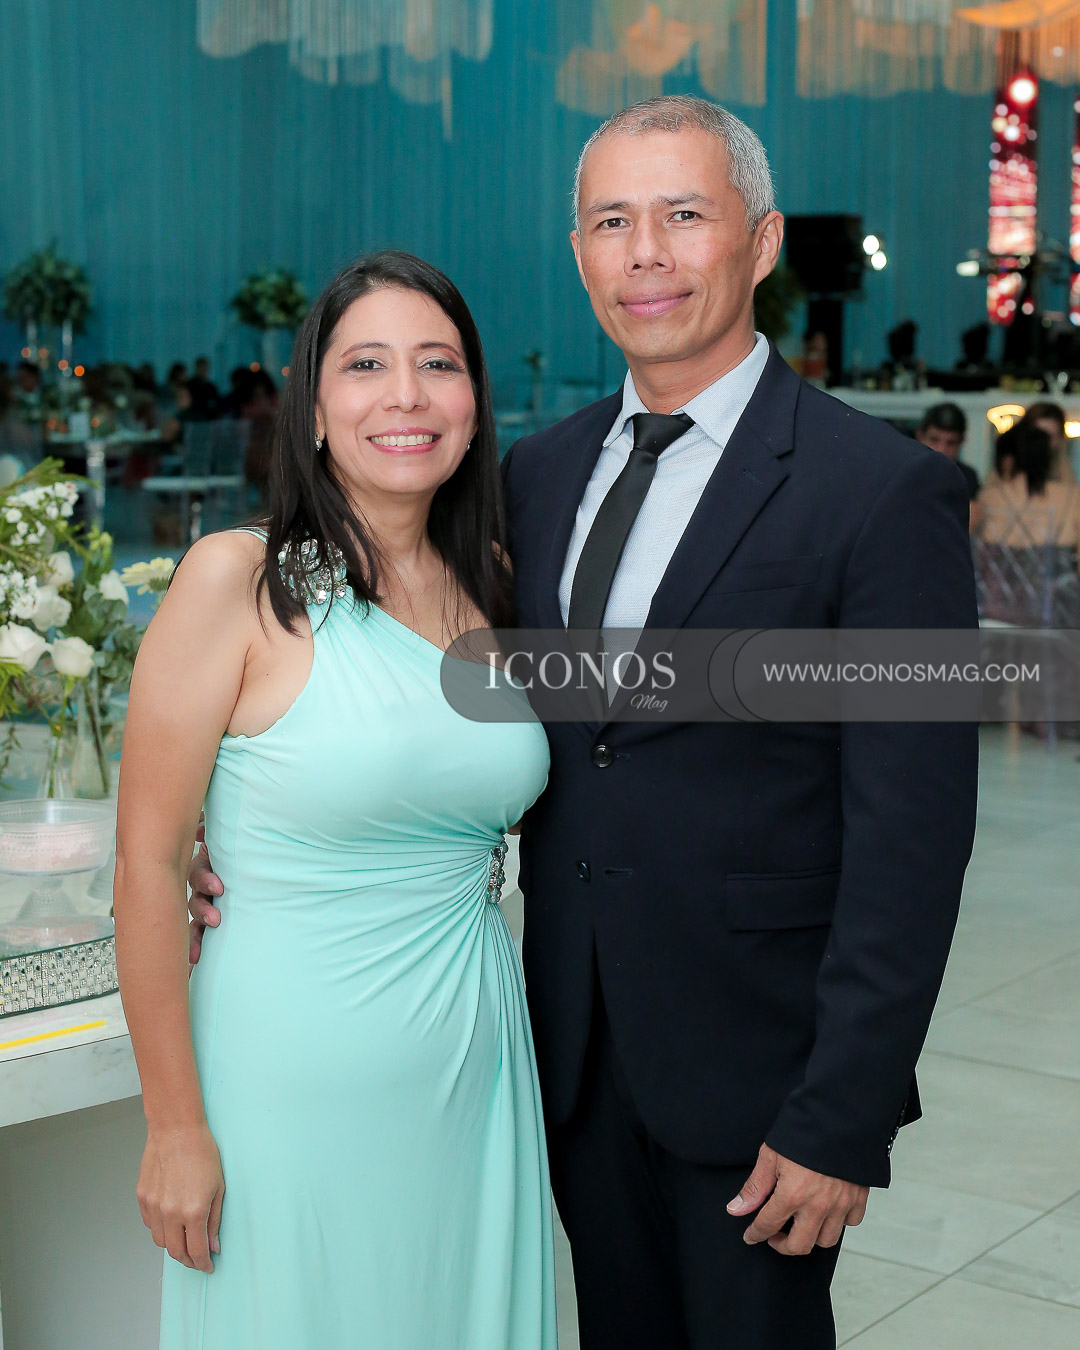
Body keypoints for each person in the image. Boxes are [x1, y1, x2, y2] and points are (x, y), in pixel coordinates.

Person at [191, 97, 978, 1350]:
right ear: (578, 253)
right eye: (612, 222)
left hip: (759, 1082)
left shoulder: (884, 492)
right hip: (561, 1057)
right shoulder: (536, 480)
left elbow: (914, 843)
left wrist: (844, 1114)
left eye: (683, 215)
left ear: (763, 241)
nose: (644, 253)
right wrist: (234, 820)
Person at [116, 251, 557, 1350]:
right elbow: (145, 865)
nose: (406, 395)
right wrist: (175, 1127)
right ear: (313, 411)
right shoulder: (238, 580)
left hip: (475, 1073)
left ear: (473, 405)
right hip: (288, 1084)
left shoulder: (500, 588)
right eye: (366, 366)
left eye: (438, 365)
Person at [914, 402, 979, 530]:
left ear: (961, 442)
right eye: (934, 440)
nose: (941, 449)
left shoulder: (967, 477)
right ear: (919, 436)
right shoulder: (903, 472)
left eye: (950, 443)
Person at [1020, 401, 1077, 485]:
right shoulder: (1010, 466)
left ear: (1061, 439)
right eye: (1038, 436)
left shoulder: (1072, 462)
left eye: (1050, 437)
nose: (1044, 442)